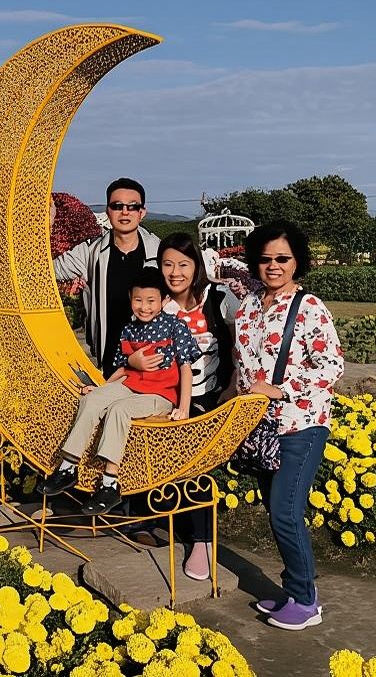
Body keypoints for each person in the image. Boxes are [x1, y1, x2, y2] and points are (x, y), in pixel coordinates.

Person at [228, 221, 344, 631]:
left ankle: (307, 599)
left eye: (282, 258)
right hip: (260, 430)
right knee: (277, 511)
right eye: (264, 259)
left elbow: (331, 366)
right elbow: (242, 370)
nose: (273, 266)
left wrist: (279, 388)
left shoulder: (309, 306)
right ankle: (293, 592)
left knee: (285, 513)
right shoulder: (246, 309)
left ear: (297, 261)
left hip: (302, 424)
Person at [39, 267, 201, 515]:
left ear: (164, 300)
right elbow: (124, 368)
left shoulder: (174, 326)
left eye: (151, 301)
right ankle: (68, 467)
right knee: (93, 399)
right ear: (130, 299)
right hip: (129, 384)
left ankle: (110, 483)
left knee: (119, 409)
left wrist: (184, 408)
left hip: (160, 394)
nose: (144, 307)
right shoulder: (129, 329)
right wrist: (103, 388)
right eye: (138, 300)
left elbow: (186, 368)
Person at [128, 232, 239, 579]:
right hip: (167, 394)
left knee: (196, 462)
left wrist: (233, 386)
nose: (175, 272)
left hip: (211, 394)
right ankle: (148, 518)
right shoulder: (158, 304)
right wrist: (131, 365)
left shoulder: (219, 298)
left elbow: (243, 345)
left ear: (197, 266)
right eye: (167, 264)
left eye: (183, 264)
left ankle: (203, 542)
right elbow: (132, 344)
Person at [53, 178, 162, 373]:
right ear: (108, 211)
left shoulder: (160, 252)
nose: (125, 212)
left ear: (142, 212)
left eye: (132, 206)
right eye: (117, 206)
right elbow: (50, 269)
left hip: (152, 361)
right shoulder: (91, 252)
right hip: (108, 357)